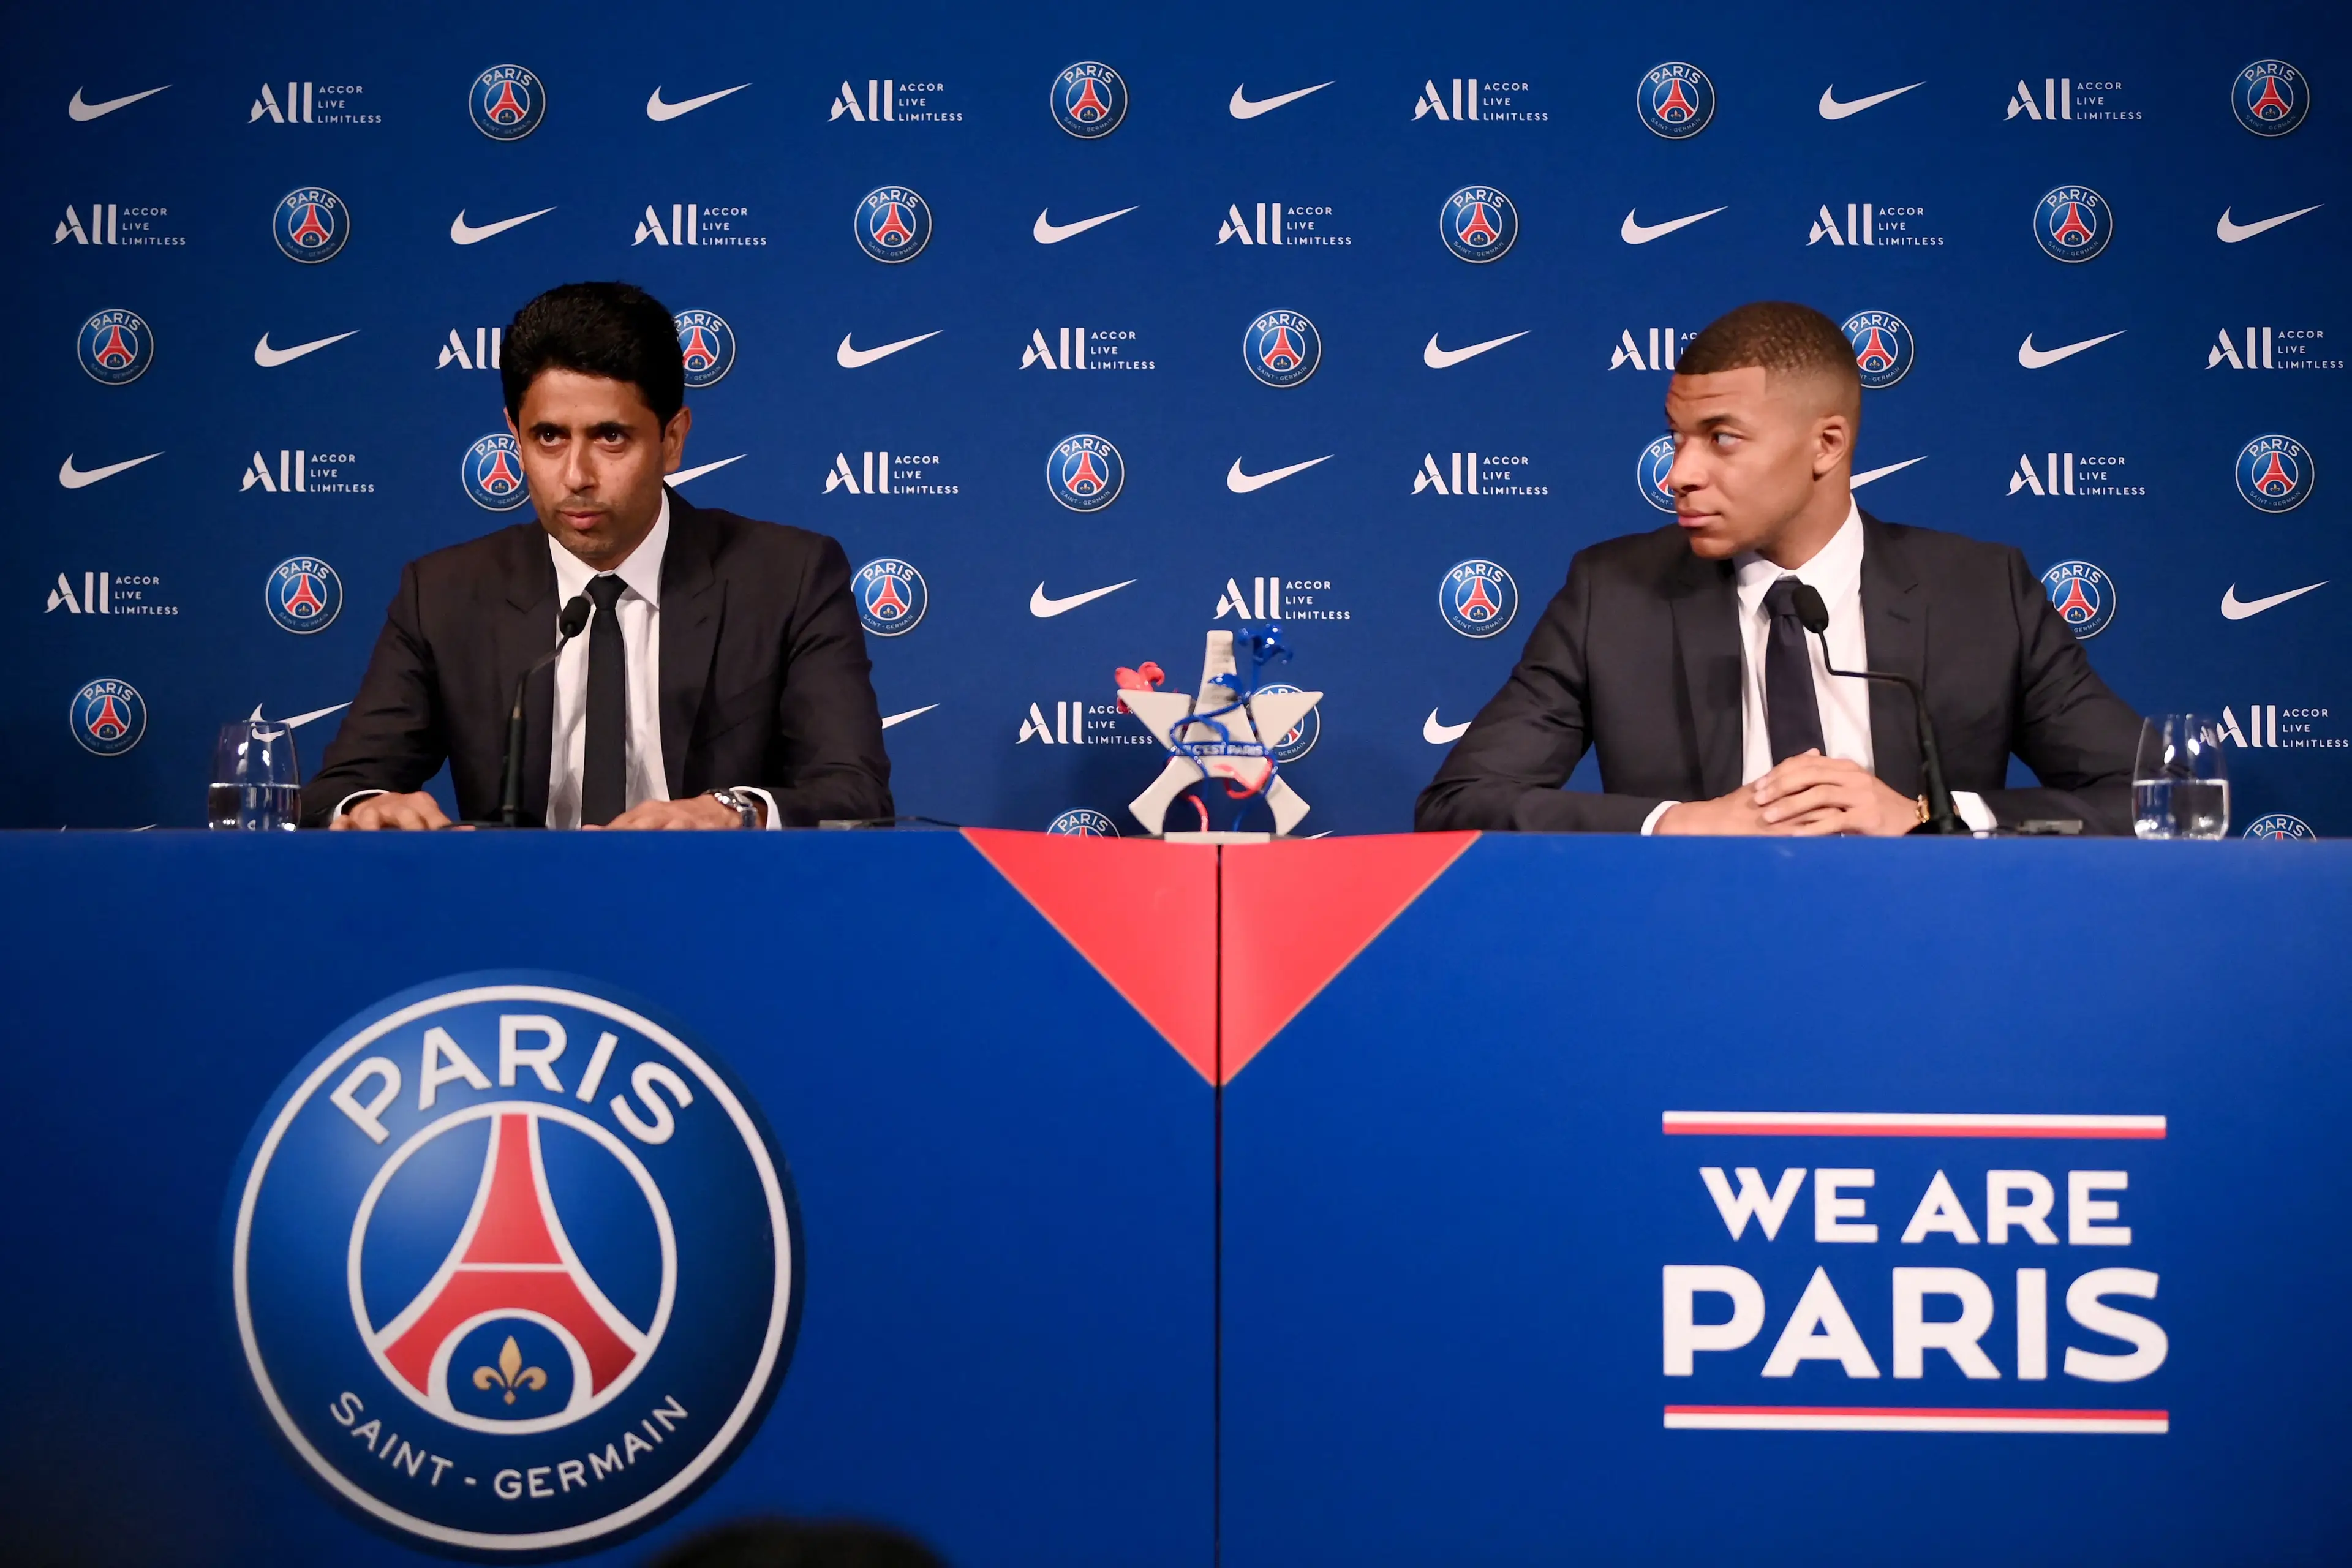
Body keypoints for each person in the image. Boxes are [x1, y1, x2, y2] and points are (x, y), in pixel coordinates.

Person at [1416, 300, 2141, 836]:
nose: (1680, 474)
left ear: (1827, 444)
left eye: (1721, 439)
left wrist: (1928, 817)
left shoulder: (1982, 592)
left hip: (1923, 961)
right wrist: (1683, 824)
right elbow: (1460, 803)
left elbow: (2161, 797)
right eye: (1677, 438)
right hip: (1697, 963)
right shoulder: (1612, 594)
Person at [303, 282, 892, 829]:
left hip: (718, 911)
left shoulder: (788, 578)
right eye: (549, 437)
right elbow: (342, 788)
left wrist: (730, 812)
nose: (577, 477)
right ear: (515, 433)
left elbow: (855, 793)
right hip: (519, 919)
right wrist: (370, 809)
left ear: (672, 440)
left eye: (611, 437)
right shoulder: (444, 594)